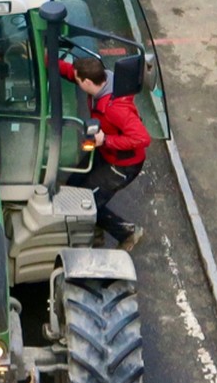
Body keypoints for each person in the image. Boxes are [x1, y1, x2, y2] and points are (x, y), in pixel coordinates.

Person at [57, 55, 150, 251]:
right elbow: (69, 72)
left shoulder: (116, 109)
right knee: (74, 184)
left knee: (89, 203)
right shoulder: (102, 80)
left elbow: (142, 138)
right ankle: (93, 228)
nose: (76, 81)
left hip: (122, 165)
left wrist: (105, 140)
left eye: (78, 80)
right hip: (106, 153)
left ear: (88, 82)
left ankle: (128, 233)